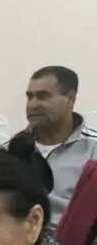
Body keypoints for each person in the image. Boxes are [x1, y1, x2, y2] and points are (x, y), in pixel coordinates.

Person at [21, 66, 97, 225]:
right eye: (30, 97)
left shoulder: (93, 149)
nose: (33, 105)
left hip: (75, 243)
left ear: (70, 99)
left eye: (43, 96)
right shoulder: (12, 149)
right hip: (16, 241)